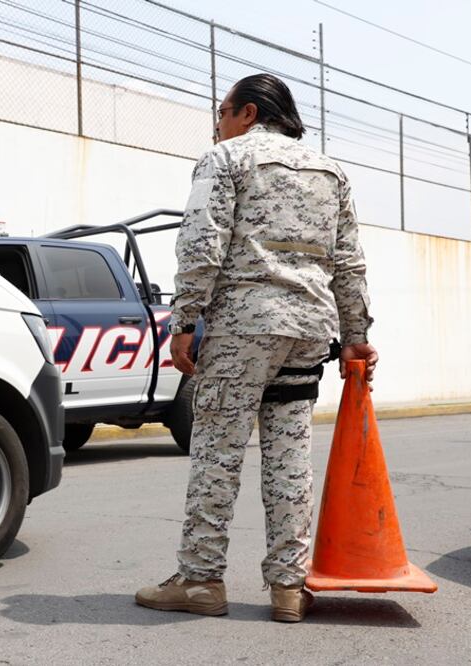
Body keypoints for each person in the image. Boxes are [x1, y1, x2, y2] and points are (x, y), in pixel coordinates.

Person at [135, 73, 378, 623]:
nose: (217, 125)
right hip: (308, 331)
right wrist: (356, 337)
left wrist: (184, 320)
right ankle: (289, 586)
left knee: (217, 452)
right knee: (290, 457)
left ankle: (200, 580)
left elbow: (202, 243)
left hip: (244, 329)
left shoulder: (225, 160)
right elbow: (348, 261)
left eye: (222, 113)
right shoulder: (331, 172)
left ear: (247, 113)